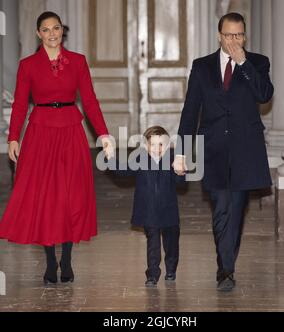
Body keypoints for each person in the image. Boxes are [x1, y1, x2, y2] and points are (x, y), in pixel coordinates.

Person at [0, 11, 113, 284]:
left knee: (71, 196)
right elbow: (18, 105)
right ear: (38, 33)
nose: (52, 33)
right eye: (46, 29)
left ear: (63, 30)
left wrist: (104, 134)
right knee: (46, 198)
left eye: (56, 28)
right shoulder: (28, 65)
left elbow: (90, 100)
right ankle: (50, 261)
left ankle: (67, 259)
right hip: (39, 134)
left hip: (71, 133)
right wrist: (13, 137)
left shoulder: (77, 62)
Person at [174, 12, 274, 291]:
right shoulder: (202, 66)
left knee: (237, 210)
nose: (234, 40)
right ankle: (225, 267)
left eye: (239, 35)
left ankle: (226, 269)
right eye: (229, 35)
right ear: (219, 36)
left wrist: (242, 62)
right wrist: (181, 152)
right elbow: (191, 110)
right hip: (213, 148)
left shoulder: (257, 62)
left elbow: (264, 94)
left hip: (245, 149)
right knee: (221, 209)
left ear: (244, 36)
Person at [111, 126, 184, 286]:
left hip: (168, 210)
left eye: (161, 145)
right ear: (145, 146)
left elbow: (180, 184)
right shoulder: (140, 159)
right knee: (153, 244)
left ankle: (171, 269)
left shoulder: (172, 159)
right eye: (153, 145)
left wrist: (180, 172)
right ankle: (152, 274)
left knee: (171, 243)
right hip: (149, 210)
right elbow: (124, 171)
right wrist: (110, 159)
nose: (157, 149)